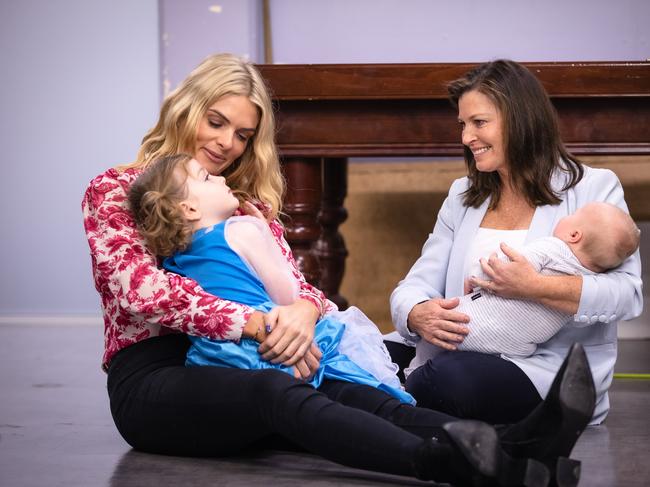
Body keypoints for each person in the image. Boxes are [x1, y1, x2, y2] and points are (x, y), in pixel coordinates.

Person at [83, 53, 596, 486]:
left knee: (362, 394)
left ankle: (522, 446)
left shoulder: (241, 209)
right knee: (276, 392)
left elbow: (306, 291)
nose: (226, 144)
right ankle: (447, 463)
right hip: (156, 380)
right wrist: (260, 323)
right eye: (216, 122)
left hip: (248, 358)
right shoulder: (115, 190)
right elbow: (144, 292)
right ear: (185, 107)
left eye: (242, 134)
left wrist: (303, 313)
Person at [390, 59, 643, 426]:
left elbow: (627, 294)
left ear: (521, 119)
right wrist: (415, 313)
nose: (466, 138)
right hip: (456, 345)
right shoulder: (463, 195)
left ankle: (378, 406)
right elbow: (416, 282)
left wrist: (535, 287)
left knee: (447, 381)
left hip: (542, 368)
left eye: (479, 123)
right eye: (462, 124)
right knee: (341, 357)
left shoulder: (593, 188)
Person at [128, 153, 413, 404]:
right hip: (274, 344)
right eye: (205, 178)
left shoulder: (176, 258)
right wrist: (265, 233)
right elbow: (287, 295)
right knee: (360, 372)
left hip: (218, 358)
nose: (218, 178)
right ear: (189, 209)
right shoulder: (241, 230)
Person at [408, 202, 640, 369]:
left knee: (431, 348)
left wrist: (476, 277)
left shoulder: (553, 248)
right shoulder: (589, 273)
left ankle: (412, 374)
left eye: (573, 215)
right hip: (519, 349)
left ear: (574, 234)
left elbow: (503, 265)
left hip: (472, 327)